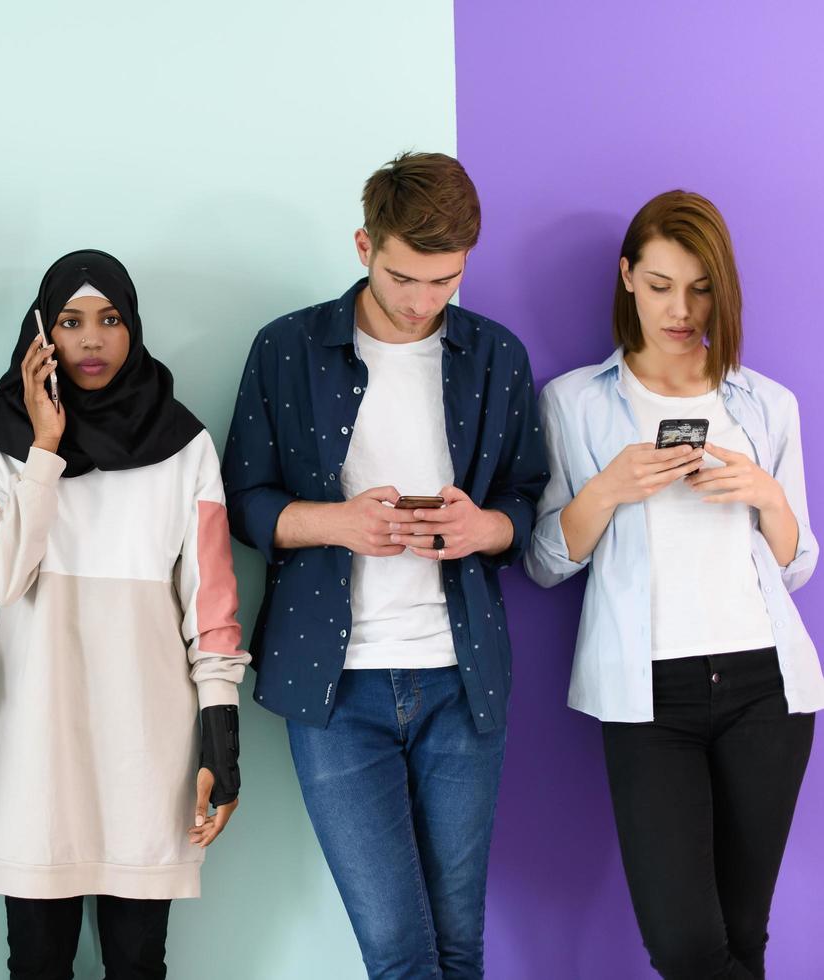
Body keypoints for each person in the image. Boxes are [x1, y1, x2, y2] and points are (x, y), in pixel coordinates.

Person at [222, 152, 548, 978]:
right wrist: (337, 522)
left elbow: (527, 498)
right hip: (335, 687)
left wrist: (484, 528)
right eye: (403, 276)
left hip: (460, 676)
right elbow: (242, 500)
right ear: (363, 245)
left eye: (444, 281)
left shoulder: (496, 357)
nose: (421, 302)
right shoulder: (287, 348)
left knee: (457, 945)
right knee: (399, 952)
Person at [525, 190, 819, 980]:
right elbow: (546, 562)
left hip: (767, 688)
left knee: (744, 939)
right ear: (626, 278)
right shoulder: (576, 403)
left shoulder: (765, 404)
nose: (680, 310)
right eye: (659, 286)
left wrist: (771, 499)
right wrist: (609, 488)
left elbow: (798, 567)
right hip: (647, 696)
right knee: (688, 947)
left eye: (698, 289)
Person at [0, 249, 248, 979]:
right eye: (70, 321)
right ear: (41, 334)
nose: (91, 340)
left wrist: (221, 737)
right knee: (37, 962)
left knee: (140, 963)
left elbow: (212, 606)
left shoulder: (184, 446)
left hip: (149, 751)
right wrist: (44, 449)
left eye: (109, 320)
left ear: (133, 327)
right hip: (36, 746)